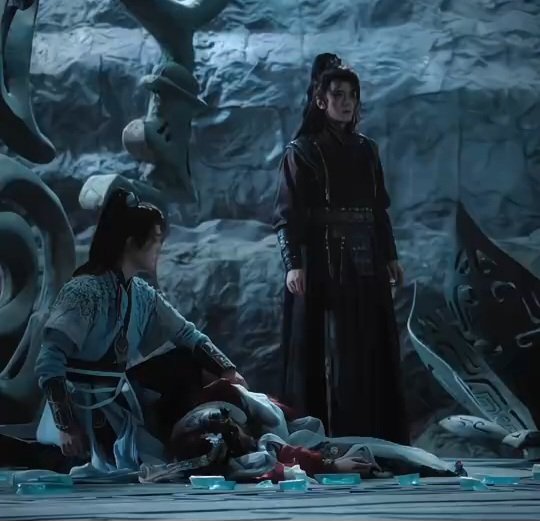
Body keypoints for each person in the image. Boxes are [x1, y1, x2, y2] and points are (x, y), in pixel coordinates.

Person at [34, 188, 246, 477]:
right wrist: (66, 426)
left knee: (184, 362)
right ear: (131, 243)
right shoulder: (83, 291)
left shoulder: (142, 294)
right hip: (80, 411)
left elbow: (186, 334)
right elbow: (50, 360)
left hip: (117, 405)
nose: (160, 247)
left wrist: (227, 370)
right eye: (155, 239)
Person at [273, 54, 409, 443]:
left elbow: (378, 208)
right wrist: (293, 263)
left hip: (366, 259)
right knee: (325, 350)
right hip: (322, 260)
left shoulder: (367, 149)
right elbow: (287, 215)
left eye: (352, 95)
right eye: (337, 95)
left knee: (367, 346)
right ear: (321, 100)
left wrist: (391, 255)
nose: (346, 102)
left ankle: (374, 438)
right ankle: (324, 443)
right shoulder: (301, 151)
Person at [139, 379, 456, 483]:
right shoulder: (211, 442)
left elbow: (271, 438)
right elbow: (269, 454)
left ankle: (434, 466)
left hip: (264, 420)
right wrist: (328, 465)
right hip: (252, 434)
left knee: (357, 448)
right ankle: (434, 467)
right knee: (353, 451)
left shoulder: (233, 404)